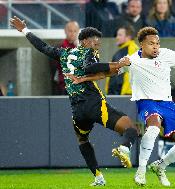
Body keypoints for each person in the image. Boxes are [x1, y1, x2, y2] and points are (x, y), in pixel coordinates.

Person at [66, 27, 175, 186]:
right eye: (151, 43)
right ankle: (141, 172)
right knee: (153, 128)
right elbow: (107, 73)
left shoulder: (168, 55)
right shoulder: (132, 60)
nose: (155, 47)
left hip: (167, 103)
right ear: (142, 44)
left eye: (157, 43)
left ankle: (160, 166)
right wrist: (83, 79)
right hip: (147, 102)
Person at [10, 16, 138, 186]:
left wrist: (25, 30)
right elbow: (89, 68)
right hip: (95, 104)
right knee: (131, 127)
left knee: (83, 140)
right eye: (94, 41)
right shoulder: (88, 52)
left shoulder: (63, 53)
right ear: (84, 41)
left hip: (77, 110)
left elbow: (43, 47)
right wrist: (116, 63)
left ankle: (98, 177)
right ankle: (124, 148)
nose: (97, 44)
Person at [105, 25, 139, 95]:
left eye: (120, 35)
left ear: (128, 37)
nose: (117, 37)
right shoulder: (125, 50)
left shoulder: (130, 50)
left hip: (124, 95)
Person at [50, 20, 80, 95]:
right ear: (65, 31)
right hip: (62, 88)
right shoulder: (59, 48)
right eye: (70, 31)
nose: (73, 34)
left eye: (75, 31)